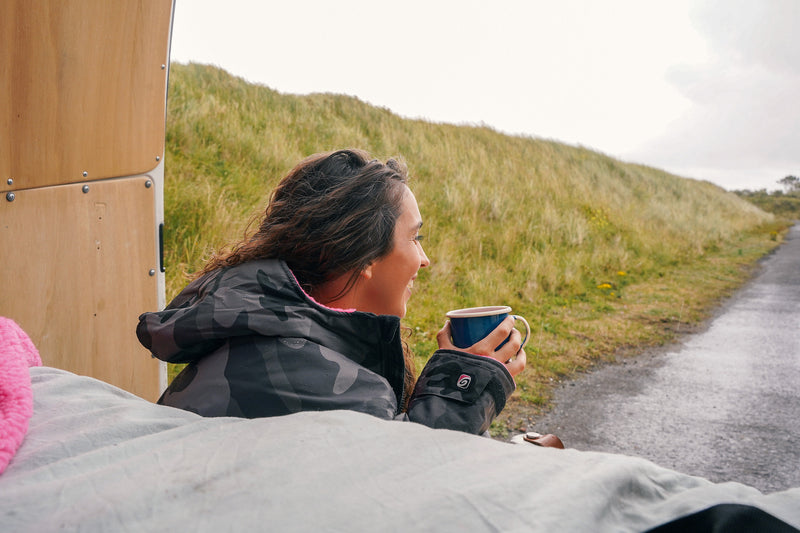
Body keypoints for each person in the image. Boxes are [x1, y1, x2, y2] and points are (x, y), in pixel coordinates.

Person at [137, 149, 526, 434]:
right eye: (415, 238)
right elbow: (410, 480)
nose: (424, 260)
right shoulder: (311, 374)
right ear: (364, 255)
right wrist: (462, 381)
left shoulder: (263, 323)